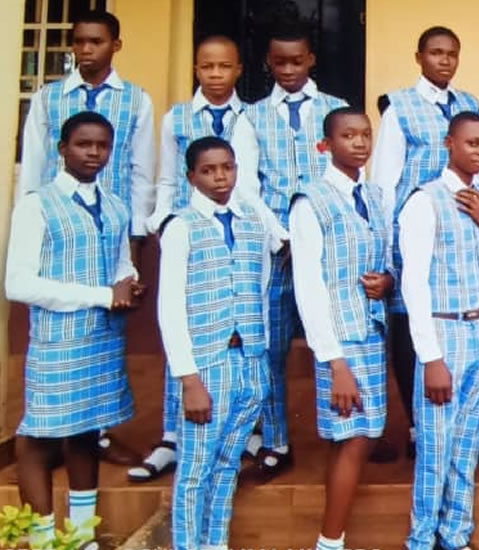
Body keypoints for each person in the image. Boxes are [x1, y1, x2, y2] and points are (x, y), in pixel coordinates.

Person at [133, 34, 278, 484]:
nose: (215, 75)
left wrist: (269, 231)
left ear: (239, 70)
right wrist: (161, 220)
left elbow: (251, 183)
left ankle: (245, 430)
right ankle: (172, 435)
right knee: (185, 327)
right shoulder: (177, 117)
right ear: (196, 69)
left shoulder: (250, 118)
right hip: (188, 228)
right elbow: (166, 177)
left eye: (224, 66)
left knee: (239, 326)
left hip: (236, 226)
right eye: (207, 67)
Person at [17, 10, 151, 467]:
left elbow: (140, 172)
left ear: (116, 45)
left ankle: (96, 434)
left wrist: (135, 241)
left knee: (103, 333)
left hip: (110, 228)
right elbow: (33, 165)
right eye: (79, 42)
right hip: (59, 227)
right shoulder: (49, 97)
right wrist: (30, 219)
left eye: (96, 41)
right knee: (58, 329)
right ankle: (53, 432)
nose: (86, 49)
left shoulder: (136, 100)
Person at [6, 112, 141, 548]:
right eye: (84, 144)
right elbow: (18, 284)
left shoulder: (116, 206)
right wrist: (102, 295)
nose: (94, 153)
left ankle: (82, 537)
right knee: (39, 436)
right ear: (63, 148)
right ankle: (44, 540)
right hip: (58, 340)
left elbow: (121, 264)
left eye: (102, 145)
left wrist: (128, 282)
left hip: (101, 339)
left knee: (87, 431)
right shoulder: (37, 205)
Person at [247, 25, 370, 474]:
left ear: (311, 60)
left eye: (297, 60)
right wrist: (280, 235)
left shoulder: (335, 110)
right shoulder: (252, 117)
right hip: (278, 247)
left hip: (330, 247)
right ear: (268, 64)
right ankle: (276, 439)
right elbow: (247, 186)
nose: (288, 69)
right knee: (273, 344)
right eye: (279, 62)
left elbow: (352, 176)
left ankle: (357, 428)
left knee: (344, 330)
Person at [160, 137, 282, 550]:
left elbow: (259, 288)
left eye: (227, 168)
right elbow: (170, 307)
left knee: (228, 462)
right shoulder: (181, 227)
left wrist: (258, 353)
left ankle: (215, 543)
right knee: (195, 468)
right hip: (206, 364)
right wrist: (188, 378)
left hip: (248, 360)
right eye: (208, 170)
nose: (219, 177)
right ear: (191, 176)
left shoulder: (252, 222)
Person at [400, 111, 479, 550]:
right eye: (471, 143)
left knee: (466, 444)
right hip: (444, 332)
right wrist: (431, 358)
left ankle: (456, 535)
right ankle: (421, 539)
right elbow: (414, 283)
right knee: (435, 447)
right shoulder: (425, 201)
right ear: (450, 143)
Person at [371, 25, 479, 461]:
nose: (444, 61)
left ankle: (456, 418)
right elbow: (385, 183)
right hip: (414, 226)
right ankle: (418, 423)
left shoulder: (469, 103)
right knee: (409, 317)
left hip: (459, 229)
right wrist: (386, 251)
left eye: (452, 53)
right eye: (436, 53)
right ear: (419, 57)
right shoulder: (400, 108)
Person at [291, 108, 394, 550]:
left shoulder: (372, 194)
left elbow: (384, 255)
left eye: (365, 134)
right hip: (339, 338)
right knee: (353, 438)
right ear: (325, 145)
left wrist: (386, 280)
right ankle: (330, 541)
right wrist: (334, 362)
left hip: (371, 332)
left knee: (357, 437)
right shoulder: (310, 201)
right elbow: (308, 286)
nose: (359, 143)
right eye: (348, 136)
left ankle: (331, 540)